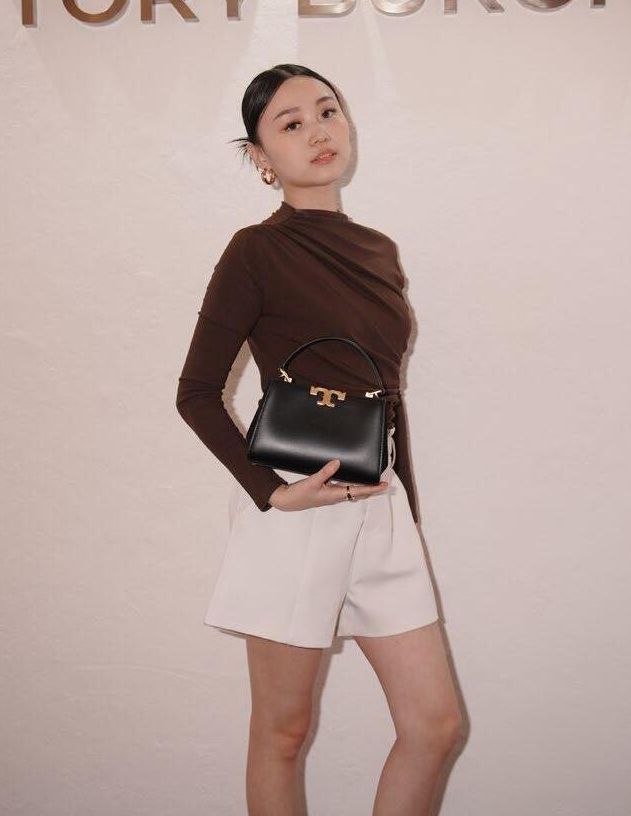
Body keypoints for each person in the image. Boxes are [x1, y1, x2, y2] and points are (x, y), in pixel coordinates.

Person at [176, 64, 462, 815]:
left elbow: (387, 396)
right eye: (291, 123)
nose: (318, 132)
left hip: (379, 503)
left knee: (435, 727)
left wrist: (407, 513)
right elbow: (196, 393)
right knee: (284, 731)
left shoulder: (378, 249)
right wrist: (271, 494)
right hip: (297, 512)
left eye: (327, 111)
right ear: (261, 157)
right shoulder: (255, 250)